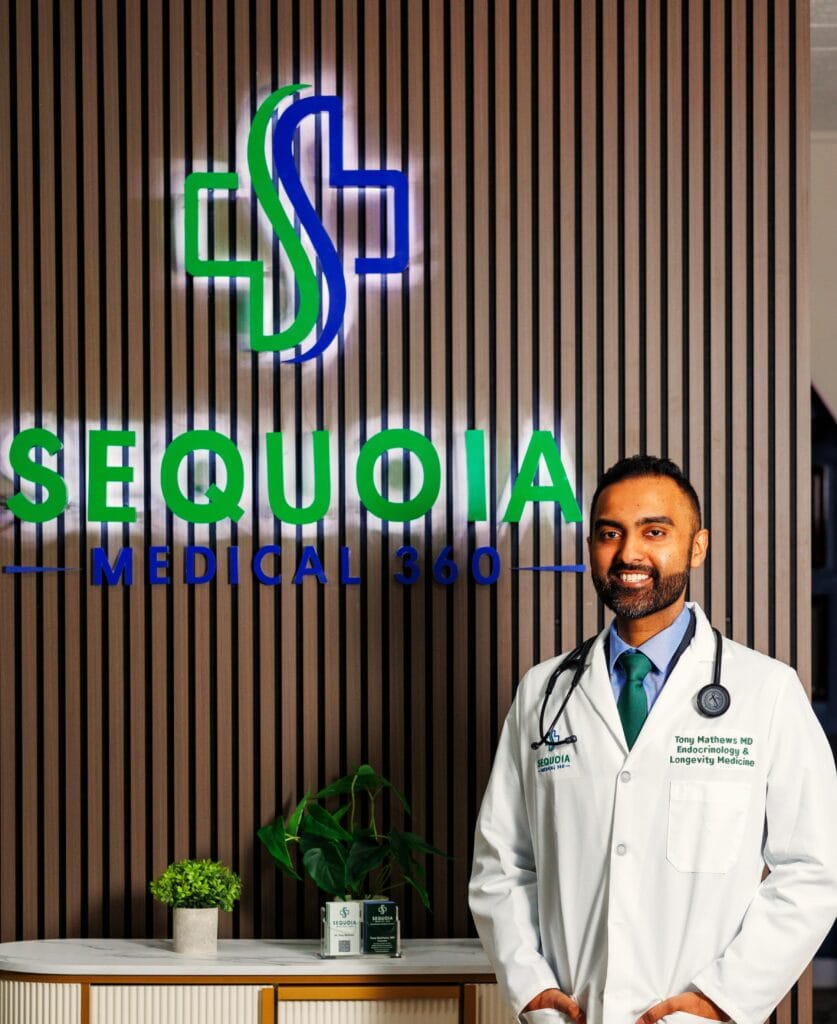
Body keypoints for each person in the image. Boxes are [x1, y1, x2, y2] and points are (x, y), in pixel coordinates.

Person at [469, 455, 837, 1024]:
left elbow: (813, 871)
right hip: (572, 1012)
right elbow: (502, 863)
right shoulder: (543, 693)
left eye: (655, 532)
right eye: (610, 533)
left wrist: (722, 1000)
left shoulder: (766, 691)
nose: (629, 554)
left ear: (698, 546)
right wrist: (531, 987)